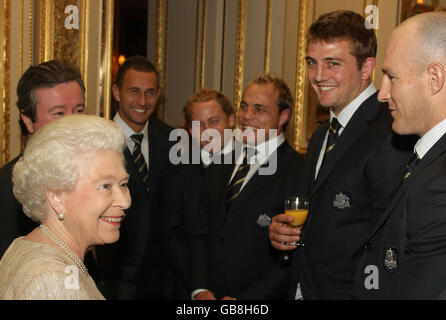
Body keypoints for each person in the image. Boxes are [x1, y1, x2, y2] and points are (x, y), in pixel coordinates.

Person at [268, 10, 415, 299]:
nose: (318, 76)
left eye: (332, 63)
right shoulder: (323, 134)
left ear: (366, 67)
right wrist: (283, 235)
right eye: (312, 63)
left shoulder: (393, 131)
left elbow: (391, 242)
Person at [353, 12, 446, 299]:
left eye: (392, 76)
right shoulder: (426, 158)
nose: (382, 94)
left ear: (434, 78)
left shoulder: (440, 182)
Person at [191, 74, 305, 300]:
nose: (247, 116)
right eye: (244, 106)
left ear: (283, 116)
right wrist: (199, 289)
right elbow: (201, 233)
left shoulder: (299, 171)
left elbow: (294, 256)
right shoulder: (221, 162)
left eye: (259, 109)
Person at [0, 114, 130, 299]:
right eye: (105, 186)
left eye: (123, 184)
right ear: (57, 197)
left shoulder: (29, 246)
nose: (125, 202)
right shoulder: (53, 280)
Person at [95, 55, 173, 299]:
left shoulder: (173, 141)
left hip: (163, 283)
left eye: (150, 92)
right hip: (112, 282)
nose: (142, 101)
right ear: (117, 92)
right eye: (134, 91)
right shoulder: (97, 141)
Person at [0, 60, 86, 258]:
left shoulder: (94, 177)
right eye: (59, 113)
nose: (73, 122)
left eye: (79, 110)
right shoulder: (7, 188)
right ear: (28, 120)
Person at [159, 88, 235, 299]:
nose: (207, 131)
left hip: (239, 288)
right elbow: (171, 235)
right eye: (199, 125)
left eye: (214, 121)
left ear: (231, 120)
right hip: (187, 287)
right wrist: (199, 286)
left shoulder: (249, 166)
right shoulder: (176, 171)